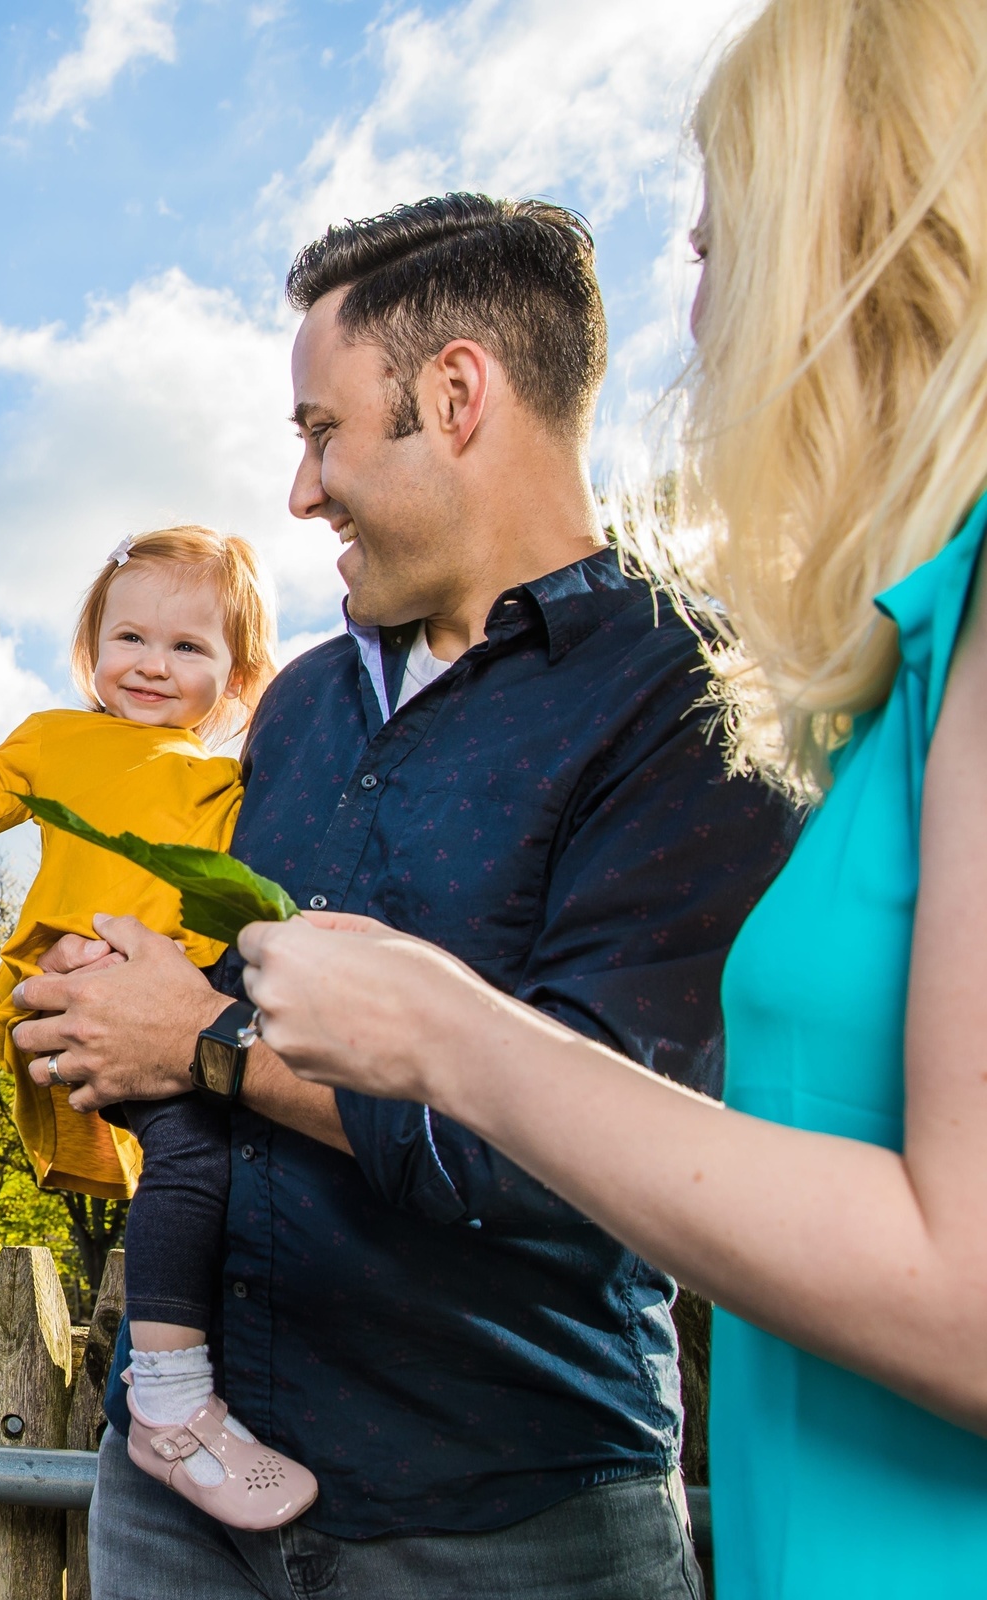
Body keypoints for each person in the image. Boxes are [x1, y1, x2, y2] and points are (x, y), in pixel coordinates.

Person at [222, 2, 987, 1594]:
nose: (694, 321)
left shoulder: (710, 685)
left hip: (521, 1505)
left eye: (717, 248)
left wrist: (413, 1036)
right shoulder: (895, 655)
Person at [10, 192, 799, 1599]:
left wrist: (198, 1046)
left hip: (500, 1525)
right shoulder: (298, 700)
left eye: (322, 432)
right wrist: (101, 1001)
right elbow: (209, 988)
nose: (302, 490)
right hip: (175, 1504)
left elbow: (602, 1145)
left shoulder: (694, 700)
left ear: (455, 395)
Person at [0, 526, 316, 1530]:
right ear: (91, 646)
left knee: (239, 1155)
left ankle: (214, 1376)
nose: (152, 665)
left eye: (188, 648)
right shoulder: (55, 738)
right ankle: (167, 1405)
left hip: (174, 1003)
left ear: (238, 672)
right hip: (69, 995)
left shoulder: (227, 784)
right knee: (195, 1157)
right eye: (129, 637)